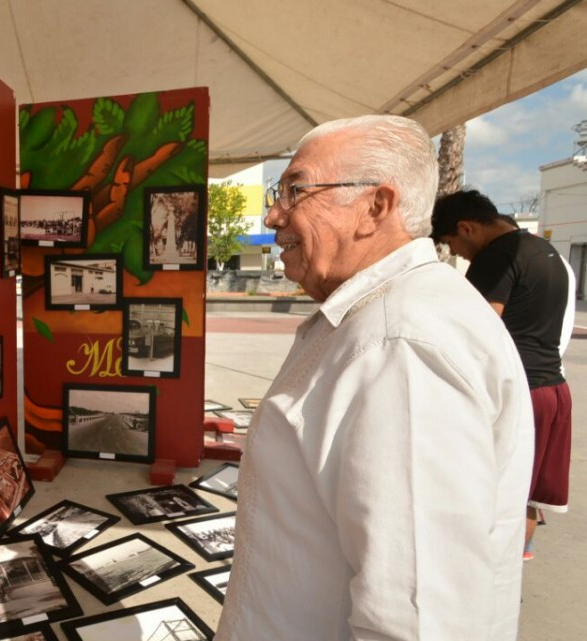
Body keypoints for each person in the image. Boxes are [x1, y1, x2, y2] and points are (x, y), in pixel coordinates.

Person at [216, 115, 533, 640]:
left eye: (296, 190)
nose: (273, 215)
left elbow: (419, 618)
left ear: (374, 208)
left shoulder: (401, 346)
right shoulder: (393, 317)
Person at [432, 189, 573, 561]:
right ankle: (510, 578)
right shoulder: (545, 252)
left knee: (496, 492)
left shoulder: (496, 256)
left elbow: (478, 331)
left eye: (453, 244)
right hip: (553, 390)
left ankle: (490, 578)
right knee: (525, 493)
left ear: (467, 227)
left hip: (517, 394)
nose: (458, 254)